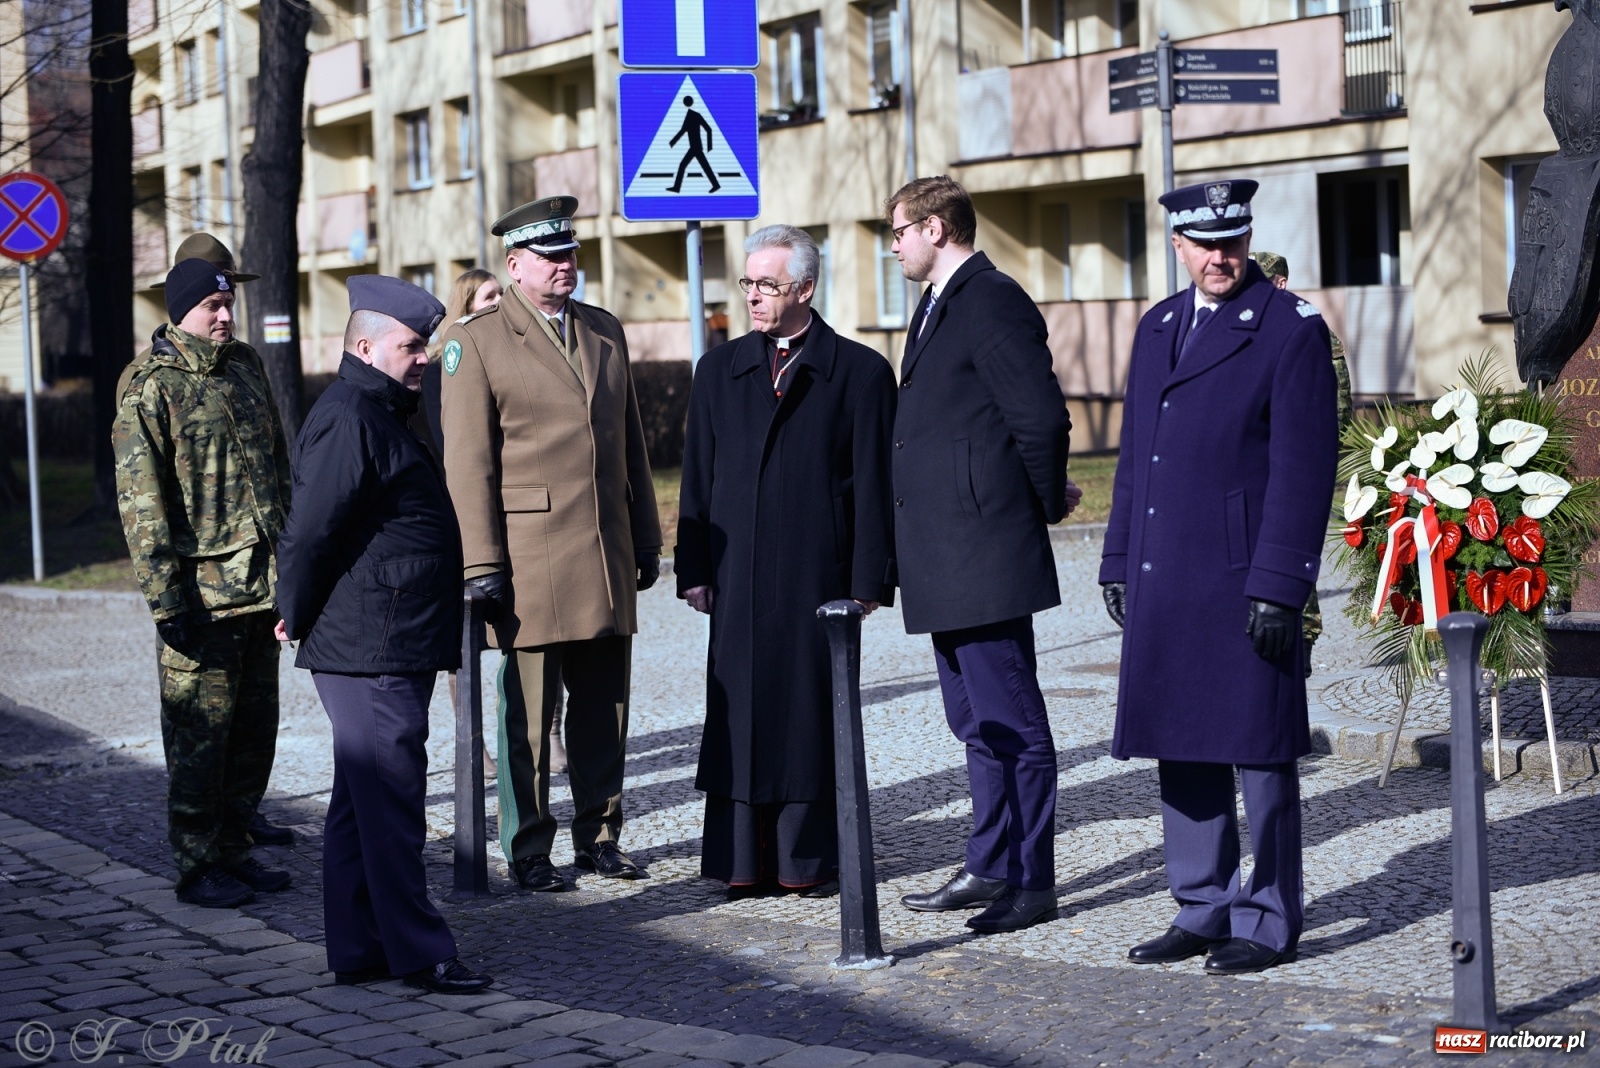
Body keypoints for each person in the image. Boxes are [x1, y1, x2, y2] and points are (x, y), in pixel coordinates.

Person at [1100, 180, 1338, 975]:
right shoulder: (1159, 325)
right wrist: (1117, 557)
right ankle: (1202, 904)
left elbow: (1305, 471)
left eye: (1232, 240)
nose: (1220, 257)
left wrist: (1281, 583)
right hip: (1168, 573)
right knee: (1182, 739)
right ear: (1178, 245)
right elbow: (1138, 457)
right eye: (1204, 244)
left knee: (1260, 750)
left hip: (1243, 576)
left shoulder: (1289, 328)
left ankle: (1269, 916)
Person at [273, 274, 492, 996]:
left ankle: (361, 946)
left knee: (358, 804)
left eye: (425, 343)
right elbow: (309, 530)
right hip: (371, 644)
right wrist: (292, 608)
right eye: (410, 345)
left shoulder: (383, 407)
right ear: (365, 346)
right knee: (392, 803)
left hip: (388, 636)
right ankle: (420, 951)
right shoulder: (350, 416)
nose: (423, 355)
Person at [441, 195, 662, 893]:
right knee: (530, 720)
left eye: (571, 254)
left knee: (606, 709)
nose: (567, 266)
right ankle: (528, 849)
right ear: (514, 265)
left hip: (602, 549)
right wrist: (479, 564)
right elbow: (467, 465)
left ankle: (601, 835)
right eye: (551, 256)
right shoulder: (475, 341)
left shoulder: (603, 331)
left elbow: (630, 444)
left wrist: (647, 538)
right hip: (528, 557)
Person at [676, 225, 897, 898]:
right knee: (738, 711)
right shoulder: (719, 368)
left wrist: (867, 582)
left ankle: (805, 860)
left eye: (768, 284)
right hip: (737, 573)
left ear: (805, 288)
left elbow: (875, 484)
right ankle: (740, 859)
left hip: (815, 575)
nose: (753, 296)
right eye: (748, 283)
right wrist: (694, 568)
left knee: (807, 716)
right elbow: (697, 475)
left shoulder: (859, 372)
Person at [886, 176, 1077, 935]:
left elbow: (1040, 418)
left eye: (898, 229)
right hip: (947, 553)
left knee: (1013, 723)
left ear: (936, 228)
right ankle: (989, 861)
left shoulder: (991, 297)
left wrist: (1029, 509)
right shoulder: (937, 304)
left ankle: (1032, 879)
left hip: (983, 550)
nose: (894, 243)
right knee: (973, 722)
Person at [112, 257, 293, 908]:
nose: (225, 315)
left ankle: (235, 846)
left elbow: (276, 468)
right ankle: (197, 862)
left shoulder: (245, 367)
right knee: (199, 738)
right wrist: (166, 602)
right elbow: (141, 503)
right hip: (201, 595)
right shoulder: (149, 387)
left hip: (259, 586)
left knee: (253, 731)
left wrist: (290, 569)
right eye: (212, 306)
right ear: (181, 310)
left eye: (229, 305)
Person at [413, 267, 506, 780]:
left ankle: (550, 732)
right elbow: (445, 438)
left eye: (500, 295)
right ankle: (474, 742)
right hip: (456, 505)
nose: (497, 303)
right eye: (487, 296)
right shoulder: (445, 359)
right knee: (464, 632)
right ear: (466, 303)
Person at [1250, 251, 1354, 676]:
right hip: (1257, 460)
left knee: (1287, 544)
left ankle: (1304, 636)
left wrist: (1314, 453)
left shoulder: (1308, 327)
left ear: (1279, 282)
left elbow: (1338, 404)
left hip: (1295, 460)